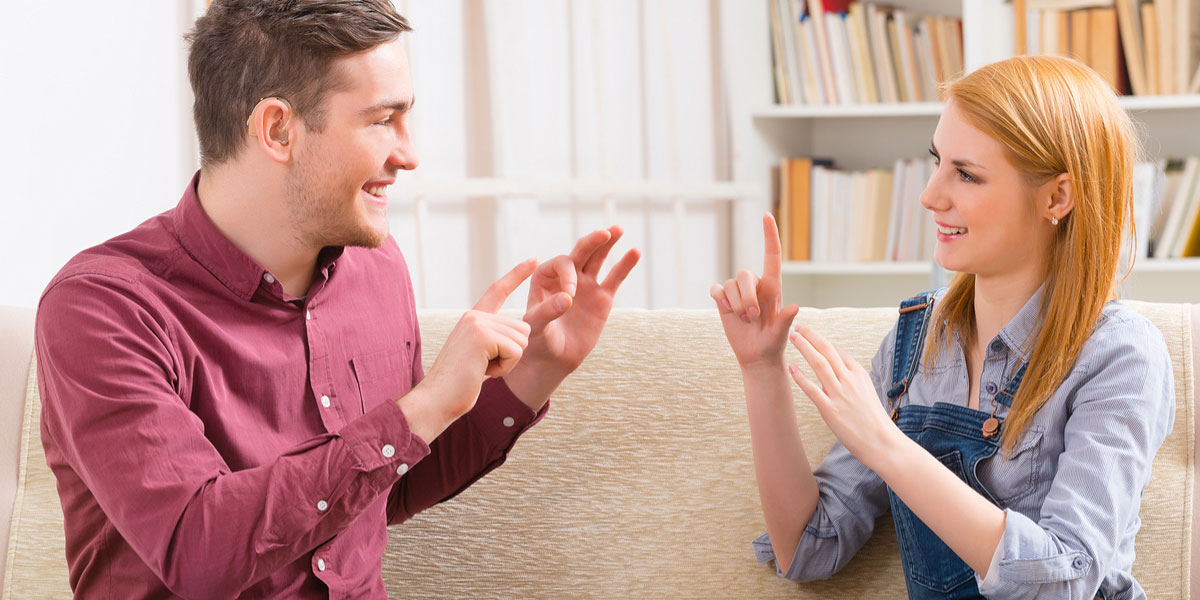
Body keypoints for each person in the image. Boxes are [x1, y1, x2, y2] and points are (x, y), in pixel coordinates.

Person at [34, 1, 640, 597]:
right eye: (382, 120)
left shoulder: (376, 267)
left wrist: (536, 371)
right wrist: (423, 406)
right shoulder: (102, 308)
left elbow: (386, 484)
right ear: (278, 129)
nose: (409, 154)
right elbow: (197, 552)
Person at [711, 55, 1174, 599]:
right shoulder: (916, 342)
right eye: (938, 163)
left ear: (1056, 197)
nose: (931, 196)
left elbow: (1062, 585)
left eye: (967, 174)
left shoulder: (1118, 355)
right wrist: (762, 368)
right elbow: (810, 547)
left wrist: (889, 447)